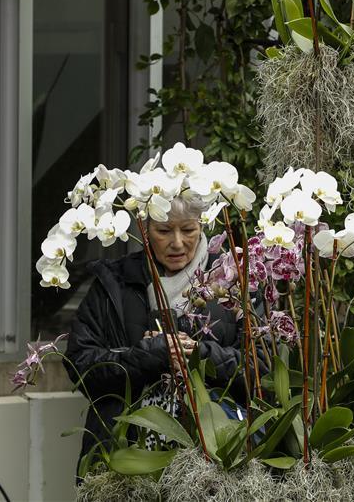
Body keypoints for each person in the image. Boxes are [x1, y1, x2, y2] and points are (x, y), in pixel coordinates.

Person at [65, 196, 248, 473]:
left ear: (202, 226)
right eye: (163, 231)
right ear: (144, 228)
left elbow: (262, 372)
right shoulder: (114, 283)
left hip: (214, 461)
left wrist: (197, 353)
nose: (177, 243)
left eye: (188, 230)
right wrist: (149, 355)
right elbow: (80, 366)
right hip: (124, 456)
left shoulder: (232, 278)